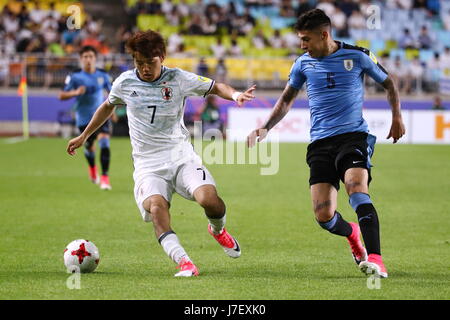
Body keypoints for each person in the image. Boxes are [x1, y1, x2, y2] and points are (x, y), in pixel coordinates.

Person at [66, 30, 256, 277]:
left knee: (210, 200)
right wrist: (84, 136)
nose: (145, 68)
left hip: (181, 157)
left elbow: (215, 86)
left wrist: (235, 95)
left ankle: (218, 230)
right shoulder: (124, 82)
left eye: (150, 62)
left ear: (162, 57)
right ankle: (185, 262)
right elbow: (107, 106)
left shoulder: (178, 78)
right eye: (139, 62)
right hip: (148, 165)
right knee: (157, 208)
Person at [247, 9, 405, 279]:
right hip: (320, 143)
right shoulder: (302, 63)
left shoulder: (358, 56)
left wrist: (397, 117)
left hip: (353, 136)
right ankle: (353, 235)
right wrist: (265, 127)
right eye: (300, 39)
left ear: (324, 34)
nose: (302, 45)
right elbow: (286, 100)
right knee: (324, 216)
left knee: (356, 188)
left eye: (306, 39)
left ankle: (377, 259)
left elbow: (389, 83)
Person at [59, 46, 113, 190]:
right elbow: (62, 95)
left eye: (91, 56)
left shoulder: (103, 75)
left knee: (105, 144)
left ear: (95, 58)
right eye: (85, 57)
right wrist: (75, 92)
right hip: (84, 118)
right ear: (81, 59)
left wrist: (112, 110)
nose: (88, 59)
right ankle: (92, 168)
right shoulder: (75, 76)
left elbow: (112, 92)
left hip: (101, 117)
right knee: (89, 147)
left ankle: (105, 178)